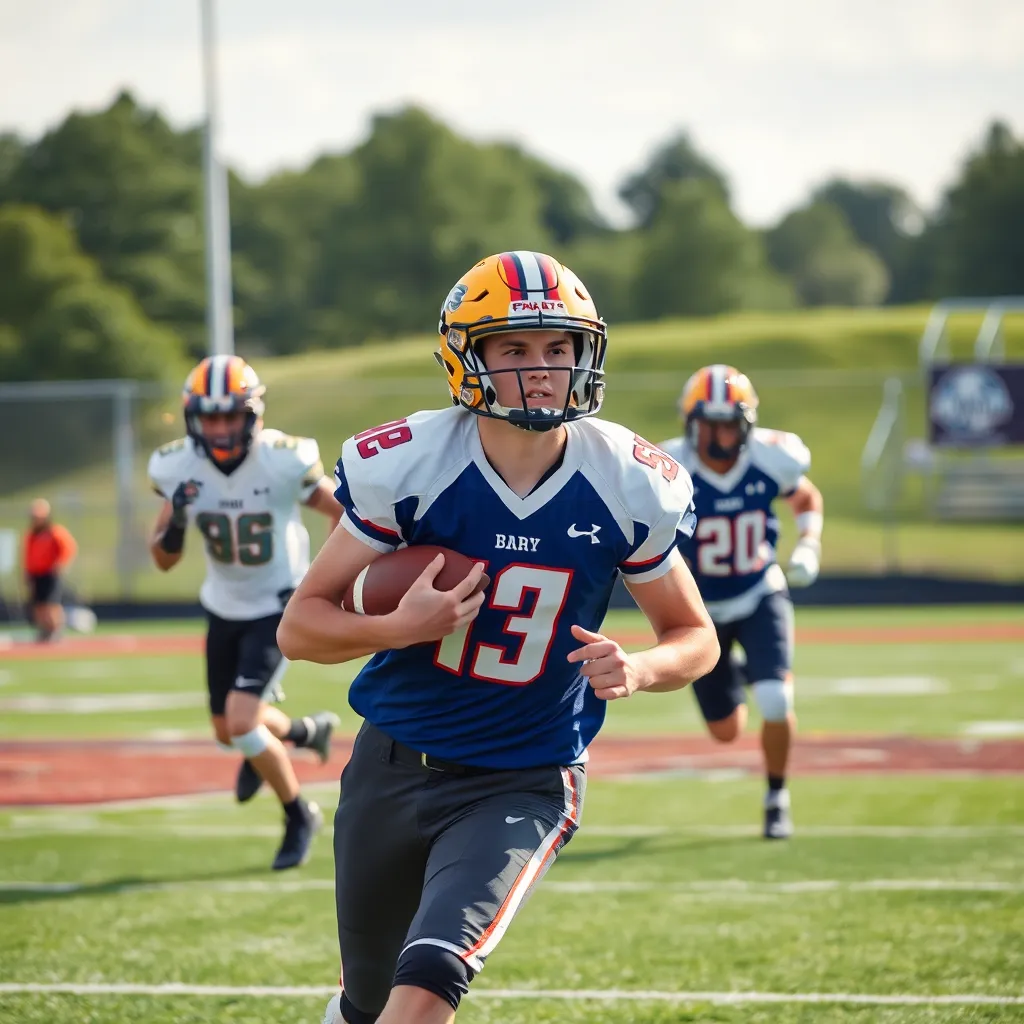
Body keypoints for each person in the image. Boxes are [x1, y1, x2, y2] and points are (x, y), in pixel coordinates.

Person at [278, 251, 720, 1024]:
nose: (542, 369)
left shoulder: (628, 476)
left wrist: (642, 668)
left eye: (558, 348)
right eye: (513, 349)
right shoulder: (412, 462)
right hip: (390, 762)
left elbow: (693, 635)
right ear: (466, 356)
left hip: (523, 775)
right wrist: (395, 626)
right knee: (366, 1002)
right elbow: (300, 626)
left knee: (429, 985)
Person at [147, 354, 344, 871]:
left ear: (251, 414)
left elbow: (341, 513)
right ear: (193, 418)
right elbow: (163, 560)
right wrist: (178, 520)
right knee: (226, 728)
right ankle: (303, 733)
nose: (219, 427)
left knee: (241, 721)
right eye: (209, 417)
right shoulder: (177, 468)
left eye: (229, 415)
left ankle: (298, 812)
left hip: (276, 603)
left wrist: (326, 581)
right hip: (223, 604)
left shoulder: (281, 459)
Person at [659, 364, 824, 840]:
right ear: (691, 424)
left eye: (730, 422)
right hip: (699, 613)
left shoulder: (774, 457)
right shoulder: (669, 471)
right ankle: (730, 669)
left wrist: (809, 543)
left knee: (775, 699)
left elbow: (806, 498)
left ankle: (777, 797)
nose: (721, 434)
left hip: (758, 592)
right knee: (726, 731)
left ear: (747, 423)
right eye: (710, 423)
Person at [22, 498, 77, 642]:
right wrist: (27, 571)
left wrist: (61, 564)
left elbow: (68, 548)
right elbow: (28, 554)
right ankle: (44, 630)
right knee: (39, 605)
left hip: (50, 573)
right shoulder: (32, 535)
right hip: (36, 574)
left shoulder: (55, 532)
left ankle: (56, 630)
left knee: (51, 604)